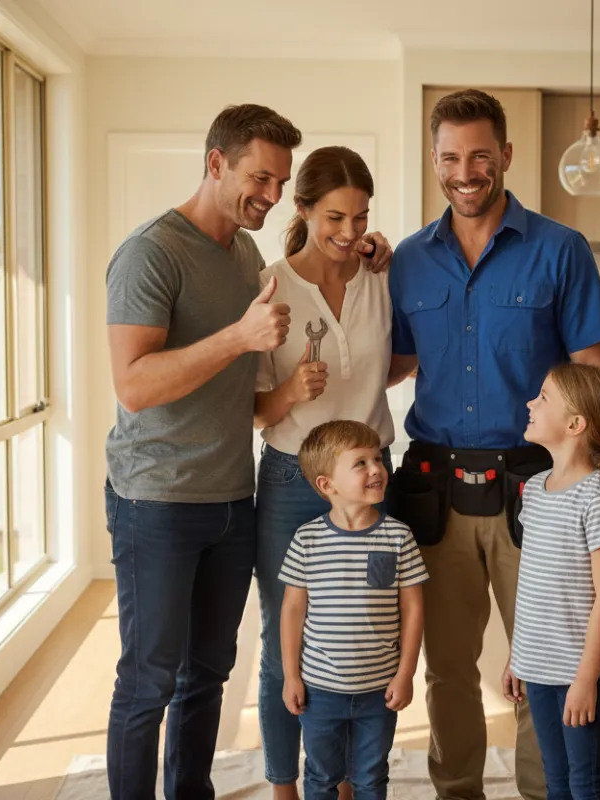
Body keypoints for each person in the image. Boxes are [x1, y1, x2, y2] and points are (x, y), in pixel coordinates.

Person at [103, 104, 392, 800]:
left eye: (278, 181)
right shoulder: (151, 252)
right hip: (158, 497)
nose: (268, 194)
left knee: (208, 670)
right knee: (149, 679)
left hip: (233, 495)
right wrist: (240, 337)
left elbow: (256, 388)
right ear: (215, 163)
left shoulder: (243, 255)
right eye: (257, 178)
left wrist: (371, 249)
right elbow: (134, 385)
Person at [386, 88, 600, 800]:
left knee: (547, 665)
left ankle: (546, 791)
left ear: (506, 157)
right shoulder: (406, 260)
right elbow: (394, 364)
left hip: (539, 492)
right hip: (434, 488)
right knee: (447, 668)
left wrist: (597, 483)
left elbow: (598, 378)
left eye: (480, 155)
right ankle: (457, 790)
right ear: (434, 161)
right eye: (451, 157)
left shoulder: (559, 249)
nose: (466, 171)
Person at [253, 146, 400, 799]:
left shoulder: (382, 276)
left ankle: (344, 782)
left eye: (360, 217)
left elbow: (397, 362)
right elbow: (255, 410)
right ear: (303, 208)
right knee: (283, 635)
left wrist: (381, 254)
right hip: (292, 479)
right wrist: (289, 392)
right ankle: (286, 787)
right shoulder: (269, 285)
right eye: (334, 217)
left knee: (367, 626)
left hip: (370, 477)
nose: (348, 232)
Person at [502, 363, 600, 800]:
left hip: (582, 671)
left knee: (585, 782)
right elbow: (535, 587)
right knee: (554, 778)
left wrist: (585, 679)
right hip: (540, 666)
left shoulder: (597, 498)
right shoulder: (536, 489)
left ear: (575, 424)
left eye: (543, 398)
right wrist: (517, 657)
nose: (530, 402)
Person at [278, 420, 428, 800]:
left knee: (371, 777)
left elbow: (413, 610)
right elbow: (293, 610)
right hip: (320, 689)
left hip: (379, 690)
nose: (377, 469)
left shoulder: (398, 536)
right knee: (320, 776)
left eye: (377, 458)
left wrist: (405, 673)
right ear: (327, 485)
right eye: (359, 463)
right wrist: (291, 676)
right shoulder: (306, 539)